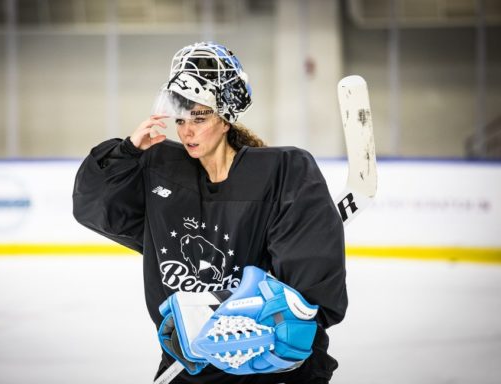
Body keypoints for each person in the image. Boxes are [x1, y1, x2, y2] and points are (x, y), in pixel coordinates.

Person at [73, 42, 347, 384]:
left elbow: (309, 300)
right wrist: (126, 152)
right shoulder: (161, 171)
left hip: (266, 367)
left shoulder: (281, 172)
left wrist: (266, 321)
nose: (187, 129)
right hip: (189, 365)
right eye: (181, 119)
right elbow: (94, 208)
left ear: (226, 117)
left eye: (200, 117)